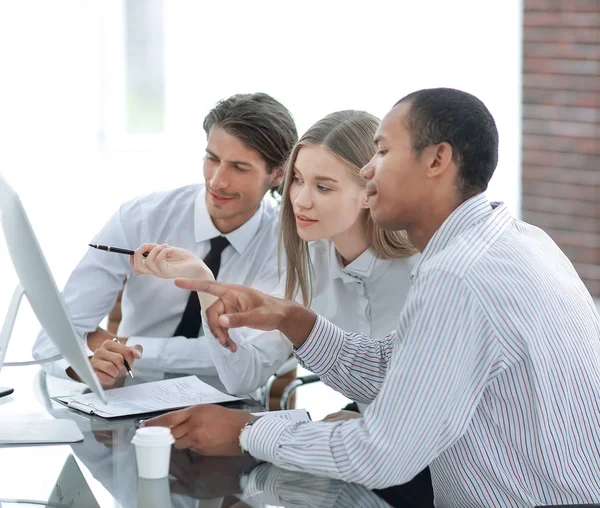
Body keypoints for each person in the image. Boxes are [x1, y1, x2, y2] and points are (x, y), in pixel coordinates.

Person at [144, 88, 600, 506]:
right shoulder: (514, 240)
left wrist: (248, 431)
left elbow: (381, 456)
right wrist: (294, 320)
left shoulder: (456, 275)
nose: (367, 169)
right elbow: (400, 370)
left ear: (437, 160)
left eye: (381, 151)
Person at [131, 110, 416, 404]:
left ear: (370, 191)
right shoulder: (305, 262)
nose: (301, 200)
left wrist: (354, 418)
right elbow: (243, 376)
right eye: (297, 179)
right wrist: (204, 284)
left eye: (323, 187)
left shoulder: (424, 267)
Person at [32, 92, 298, 390]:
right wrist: (83, 367)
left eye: (239, 167)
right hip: (124, 395)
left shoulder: (289, 249)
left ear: (277, 174)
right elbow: (52, 338)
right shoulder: (141, 217)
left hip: (225, 407)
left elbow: (251, 361)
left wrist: (131, 347)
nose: (217, 181)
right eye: (212, 159)